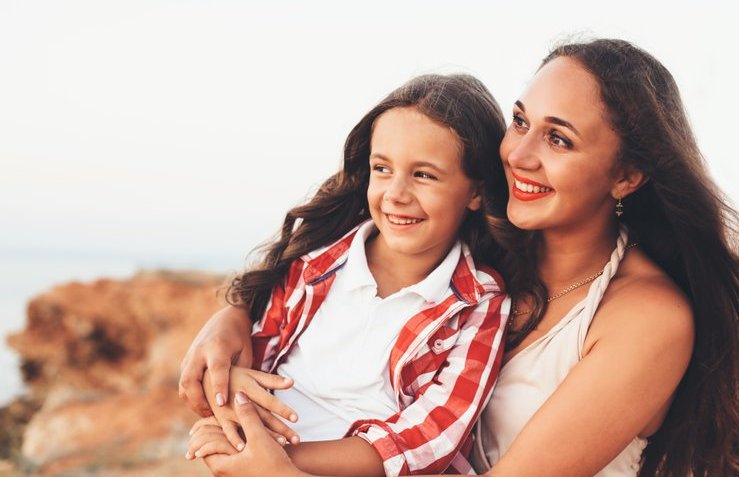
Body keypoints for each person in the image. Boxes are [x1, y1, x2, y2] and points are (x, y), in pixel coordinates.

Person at [182, 39, 739, 477]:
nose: (520, 155)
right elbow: (336, 256)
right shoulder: (484, 246)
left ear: (627, 175)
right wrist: (233, 319)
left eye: (558, 139)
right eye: (520, 121)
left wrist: (279, 471)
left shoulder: (647, 318)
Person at [182, 73, 521, 476]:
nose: (395, 193)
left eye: (424, 175)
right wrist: (232, 401)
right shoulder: (315, 263)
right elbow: (246, 356)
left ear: (476, 193)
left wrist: (274, 463)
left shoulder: (479, 302)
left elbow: (433, 436)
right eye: (382, 168)